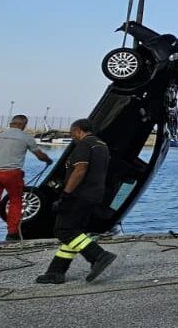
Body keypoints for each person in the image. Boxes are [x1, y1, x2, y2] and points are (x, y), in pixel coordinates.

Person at [35, 120, 118, 284]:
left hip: (79, 195)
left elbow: (80, 170)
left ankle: (98, 255)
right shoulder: (102, 146)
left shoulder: (84, 145)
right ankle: (56, 271)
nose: (71, 136)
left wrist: (66, 194)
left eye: (72, 132)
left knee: (63, 230)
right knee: (74, 232)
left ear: (78, 130)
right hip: (95, 194)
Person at [0, 114, 53, 244]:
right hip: (12, 174)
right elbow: (39, 154)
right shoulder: (25, 137)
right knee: (16, 202)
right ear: (24, 124)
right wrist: (48, 161)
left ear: (11, 123)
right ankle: (12, 234)